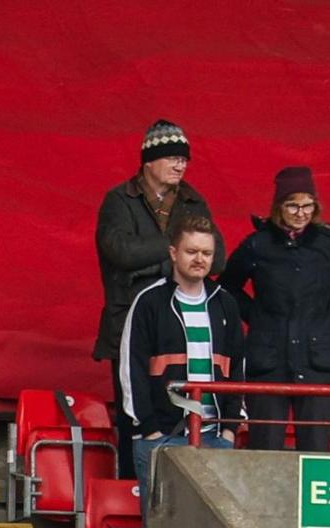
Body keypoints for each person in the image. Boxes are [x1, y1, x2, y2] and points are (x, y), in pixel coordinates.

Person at [119, 211, 245, 528]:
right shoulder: (149, 302)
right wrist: (149, 429)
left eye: (207, 253)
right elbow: (131, 368)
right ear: (173, 252)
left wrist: (229, 429)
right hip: (163, 436)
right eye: (191, 251)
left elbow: (237, 369)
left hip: (213, 435)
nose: (199, 260)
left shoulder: (227, 304)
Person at [222, 167, 330, 453]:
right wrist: (256, 315)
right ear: (277, 207)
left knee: (316, 451)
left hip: (316, 360)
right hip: (269, 361)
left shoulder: (329, 243)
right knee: (266, 450)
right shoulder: (257, 245)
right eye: (292, 205)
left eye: (308, 205)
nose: (301, 213)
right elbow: (227, 286)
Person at [96, 120, 217, 477]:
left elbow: (218, 256)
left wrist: (154, 261)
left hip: (180, 328)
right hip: (128, 326)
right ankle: (133, 492)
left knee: (180, 415)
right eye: (172, 158)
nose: (181, 165)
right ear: (149, 161)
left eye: (185, 159)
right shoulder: (119, 200)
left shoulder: (194, 200)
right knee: (136, 416)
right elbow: (119, 251)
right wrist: (174, 254)